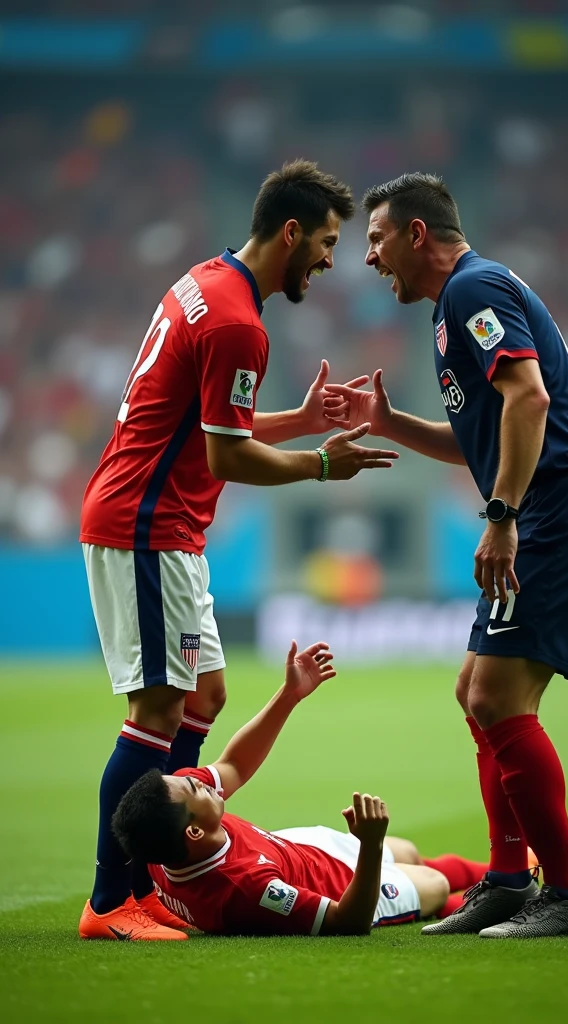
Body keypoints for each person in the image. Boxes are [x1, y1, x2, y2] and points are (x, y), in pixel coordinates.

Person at [78, 160, 399, 941]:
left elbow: (209, 422)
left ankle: (157, 876)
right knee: (157, 711)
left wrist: (294, 420)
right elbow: (227, 458)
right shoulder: (237, 323)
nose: (331, 258)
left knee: (204, 699)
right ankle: (112, 900)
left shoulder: (205, 284)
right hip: (144, 525)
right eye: (325, 241)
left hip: (170, 526)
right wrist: (324, 463)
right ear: (290, 232)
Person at [322, 173, 568, 939]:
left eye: (376, 239)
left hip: (563, 508)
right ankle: (504, 879)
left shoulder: (473, 288)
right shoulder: (452, 308)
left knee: (497, 699)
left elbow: (527, 399)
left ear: (417, 235)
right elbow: (486, 437)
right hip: (552, 506)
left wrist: (503, 516)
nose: (368, 258)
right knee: (476, 692)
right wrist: (391, 423)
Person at [110, 640, 491, 939]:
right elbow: (346, 922)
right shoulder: (246, 889)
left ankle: (504, 875)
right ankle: (487, 900)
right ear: (193, 830)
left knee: (407, 851)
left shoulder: (165, 842)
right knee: (435, 885)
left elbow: (234, 766)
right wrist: (371, 844)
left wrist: (289, 695)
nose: (200, 778)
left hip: (297, 849)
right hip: (337, 888)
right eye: (194, 787)